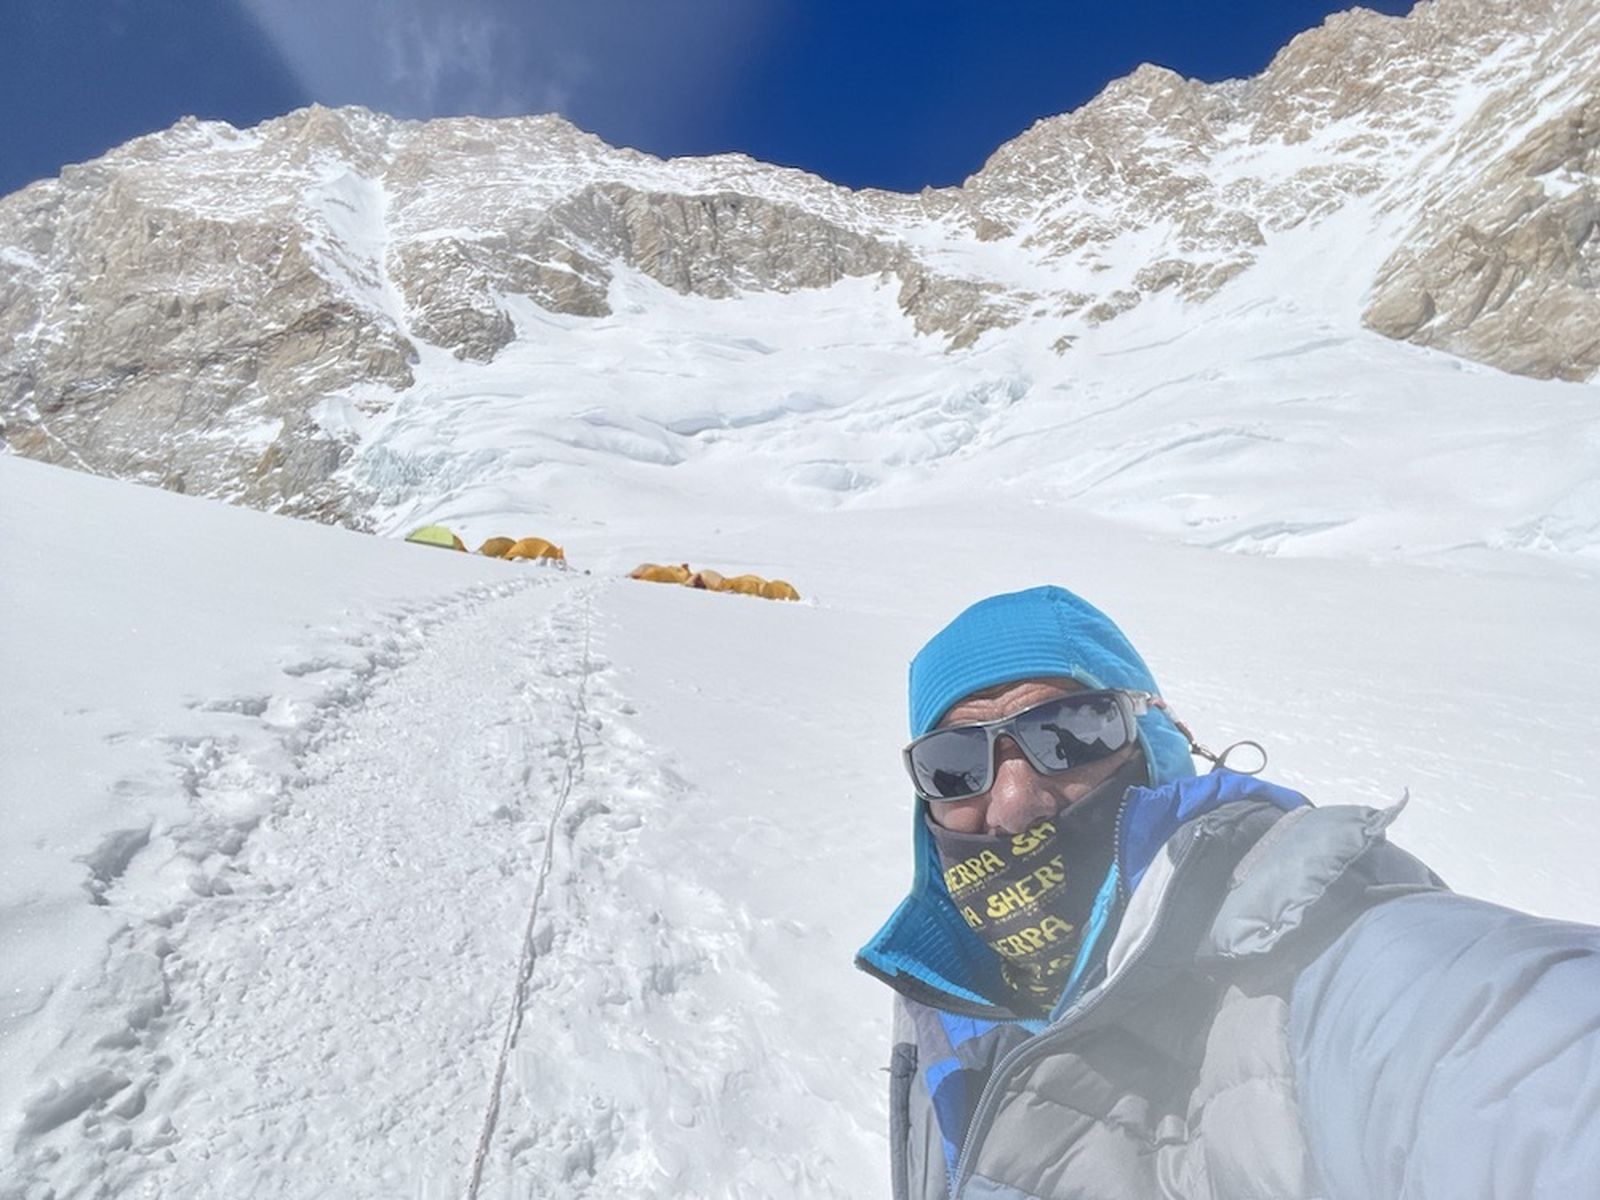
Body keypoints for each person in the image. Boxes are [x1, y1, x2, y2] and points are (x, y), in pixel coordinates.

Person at [856, 584, 1600, 1200]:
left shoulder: (1305, 957)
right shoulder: (944, 994)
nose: (1014, 803)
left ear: (1154, 745)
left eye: (1070, 732)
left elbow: (1500, 1055)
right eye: (955, 763)